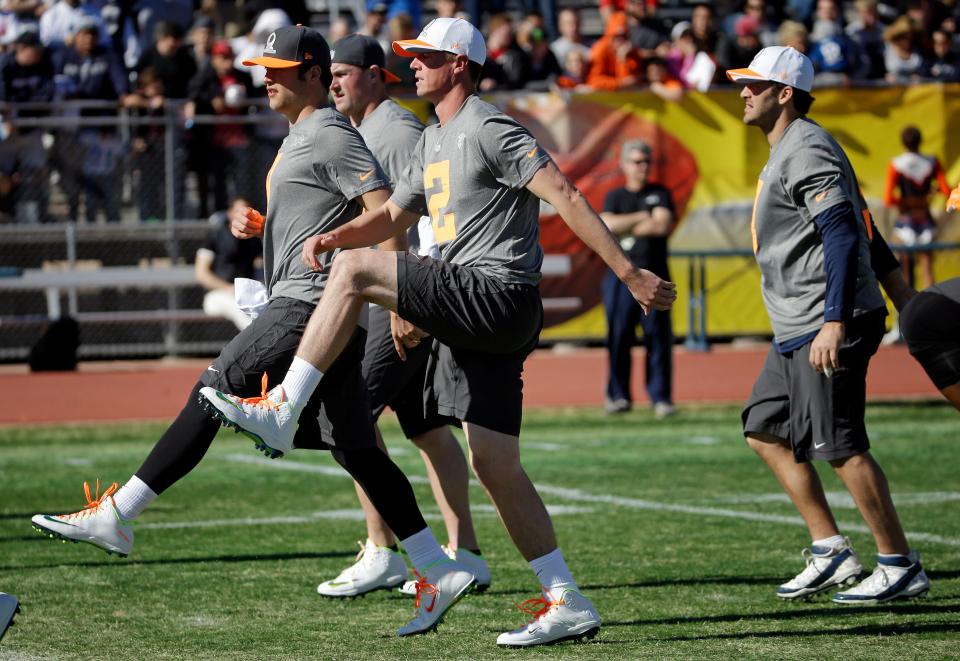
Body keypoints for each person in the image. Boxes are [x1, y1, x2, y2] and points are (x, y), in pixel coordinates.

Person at [200, 17, 677, 648]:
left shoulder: (487, 124)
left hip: (497, 292)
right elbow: (395, 215)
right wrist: (333, 236)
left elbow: (562, 191)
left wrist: (629, 272)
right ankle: (565, 598)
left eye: (425, 57)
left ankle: (285, 404)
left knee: (355, 273)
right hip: (484, 311)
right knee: (494, 462)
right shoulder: (431, 137)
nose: (412, 66)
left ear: (460, 65)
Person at [31, 25, 475, 639]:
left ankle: (120, 513)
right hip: (313, 304)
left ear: (314, 74)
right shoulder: (303, 133)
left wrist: (396, 293)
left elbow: (384, 212)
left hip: (308, 305)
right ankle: (434, 565)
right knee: (355, 446)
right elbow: (336, 209)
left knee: (213, 388)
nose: (265, 77)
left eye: (279, 68)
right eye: (263, 66)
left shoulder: (326, 130)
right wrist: (265, 224)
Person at [727, 46, 930, 604]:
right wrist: (904, 295)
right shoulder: (789, 147)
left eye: (755, 84)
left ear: (784, 93)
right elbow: (864, 223)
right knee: (764, 428)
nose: (743, 92)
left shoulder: (807, 146)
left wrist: (835, 320)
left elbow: (843, 234)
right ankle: (832, 549)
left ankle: (899, 563)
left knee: (839, 445)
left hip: (825, 318)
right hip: (799, 321)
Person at [315, 32, 490, 598]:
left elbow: (412, 220)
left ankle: (383, 548)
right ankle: (467, 551)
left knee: (349, 422)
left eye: (342, 72)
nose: (333, 81)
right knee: (426, 427)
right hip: (389, 298)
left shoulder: (392, 131)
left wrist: (403, 301)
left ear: (373, 74)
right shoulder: (365, 129)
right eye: (329, 73)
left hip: (397, 300)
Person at [600, 139, 675, 417]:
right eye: (636, 161)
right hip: (621, 279)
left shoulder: (661, 192)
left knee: (658, 339)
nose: (642, 166)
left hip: (657, 278)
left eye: (646, 161)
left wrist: (627, 223)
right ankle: (618, 397)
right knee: (619, 337)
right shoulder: (615, 196)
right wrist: (643, 215)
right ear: (623, 164)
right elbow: (606, 225)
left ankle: (661, 398)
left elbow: (661, 224)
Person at [884, 125, 951, 291]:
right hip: (925, 222)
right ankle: (933, 311)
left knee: (905, 273)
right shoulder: (932, 162)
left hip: (905, 222)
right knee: (928, 271)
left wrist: (906, 202)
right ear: (920, 141)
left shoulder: (896, 164)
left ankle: (907, 314)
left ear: (903, 143)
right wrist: (930, 194)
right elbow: (946, 190)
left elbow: (888, 198)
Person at [195, 196, 263, 330]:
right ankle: (259, 340)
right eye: (239, 212)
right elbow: (201, 274)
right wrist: (228, 288)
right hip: (216, 295)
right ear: (229, 213)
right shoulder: (215, 236)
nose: (244, 217)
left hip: (246, 294)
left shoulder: (253, 240)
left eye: (248, 213)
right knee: (237, 307)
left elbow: (260, 264)